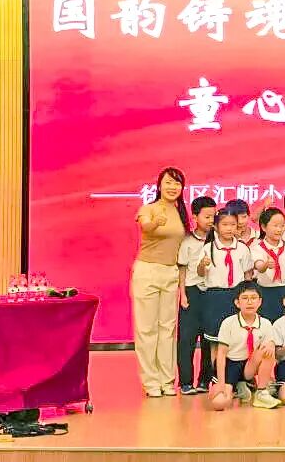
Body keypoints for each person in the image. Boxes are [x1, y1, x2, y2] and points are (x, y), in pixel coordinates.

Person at [132, 167, 188, 398]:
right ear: (159, 185)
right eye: (168, 183)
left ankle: (167, 380)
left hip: (170, 272)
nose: (173, 187)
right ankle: (151, 381)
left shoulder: (180, 211)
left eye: (177, 183)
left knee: (167, 329)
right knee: (147, 329)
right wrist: (155, 223)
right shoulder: (149, 209)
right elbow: (145, 225)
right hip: (147, 271)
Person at [198, 209, 253, 375]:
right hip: (215, 297)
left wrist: (247, 297)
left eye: (233, 225)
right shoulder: (208, 248)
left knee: (239, 337)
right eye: (225, 225)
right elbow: (200, 273)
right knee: (216, 340)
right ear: (216, 226)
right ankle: (217, 376)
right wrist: (202, 265)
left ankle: (239, 377)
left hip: (236, 296)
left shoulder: (242, 248)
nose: (229, 228)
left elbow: (248, 274)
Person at [210, 282, 281, 409]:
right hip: (230, 364)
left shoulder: (265, 323)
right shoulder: (228, 323)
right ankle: (238, 388)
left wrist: (271, 344)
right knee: (219, 403)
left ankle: (261, 393)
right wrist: (221, 382)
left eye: (253, 298)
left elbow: (270, 346)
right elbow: (221, 354)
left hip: (249, 365)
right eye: (245, 298)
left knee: (268, 349)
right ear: (237, 303)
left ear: (260, 302)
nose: (250, 302)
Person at [176, 195, 215, 395]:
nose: (211, 220)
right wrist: (182, 294)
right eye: (207, 216)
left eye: (213, 216)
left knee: (209, 340)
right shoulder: (187, 241)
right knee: (187, 340)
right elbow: (182, 270)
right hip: (191, 292)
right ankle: (185, 382)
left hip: (211, 293)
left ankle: (205, 381)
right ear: (195, 217)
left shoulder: (217, 241)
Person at [250, 208, 285, 322]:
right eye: (275, 226)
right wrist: (266, 265)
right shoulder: (257, 249)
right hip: (265, 291)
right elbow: (259, 267)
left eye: (282, 225)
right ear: (263, 227)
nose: (279, 229)